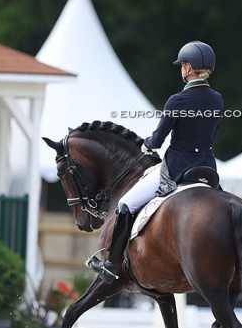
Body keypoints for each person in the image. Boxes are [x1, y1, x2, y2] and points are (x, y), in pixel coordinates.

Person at [88, 40, 224, 283]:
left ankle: (110, 265)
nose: (182, 69)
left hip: (177, 169)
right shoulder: (217, 100)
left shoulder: (177, 101)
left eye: (183, 65)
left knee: (125, 205)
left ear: (188, 68)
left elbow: (158, 139)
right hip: (207, 169)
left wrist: (146, 143)